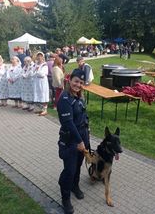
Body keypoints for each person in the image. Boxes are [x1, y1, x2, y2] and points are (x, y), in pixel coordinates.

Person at [57, 69, 90, 214]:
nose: (78, 85)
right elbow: (69, 123)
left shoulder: (80, 97)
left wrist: (87, 135)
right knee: (69, 170)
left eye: (81, 83)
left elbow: (83, 115)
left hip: (82, 136)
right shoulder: (64, 98)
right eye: (76, 81)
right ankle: (65, 198)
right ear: (69, 80)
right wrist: (79, 141)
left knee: (77, 166)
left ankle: (74, 186)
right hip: (71, 140)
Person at [33, 52, 49, 116]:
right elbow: (32, 73)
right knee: (38, 95)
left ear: (43, 57)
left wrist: (36, 72)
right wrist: (36, 73)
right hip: (37, 82)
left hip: (42, 82)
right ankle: (41, 109)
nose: (39, 57)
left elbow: (43, 74)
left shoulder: (44, 65)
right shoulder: (36, 64)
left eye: (40, 56)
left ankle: (45, 110)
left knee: (43, 95)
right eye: (38, 56)